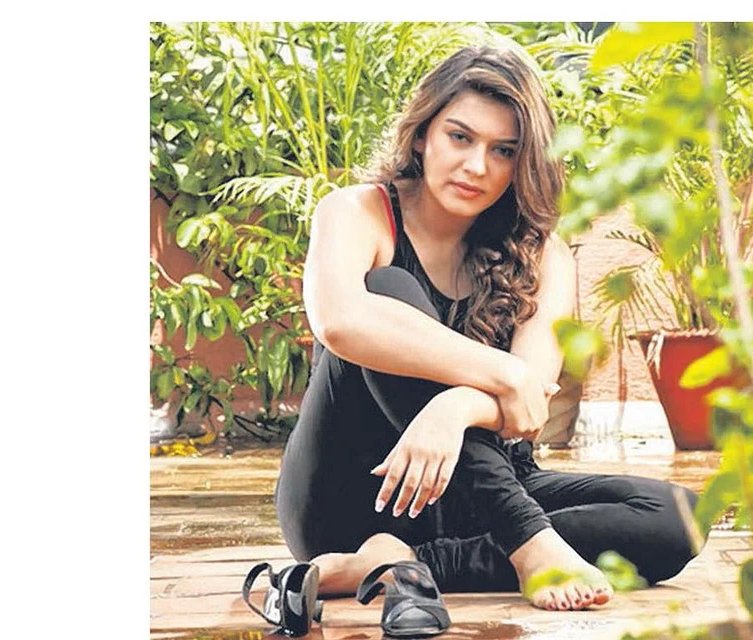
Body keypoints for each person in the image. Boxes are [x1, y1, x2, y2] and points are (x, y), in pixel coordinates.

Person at [275, 43, 704, 613]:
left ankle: (399, 565)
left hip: (480, 492)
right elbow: (341, 321)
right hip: (355, 492)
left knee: (677, 516)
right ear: (422, 134)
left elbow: (529, 405)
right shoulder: (356, 212)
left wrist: (453, 408)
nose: (477, 166)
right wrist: (502, 373)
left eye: (503, 150)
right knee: (389, 290)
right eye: (460, 137)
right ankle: (531, 546)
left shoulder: (544, 254)